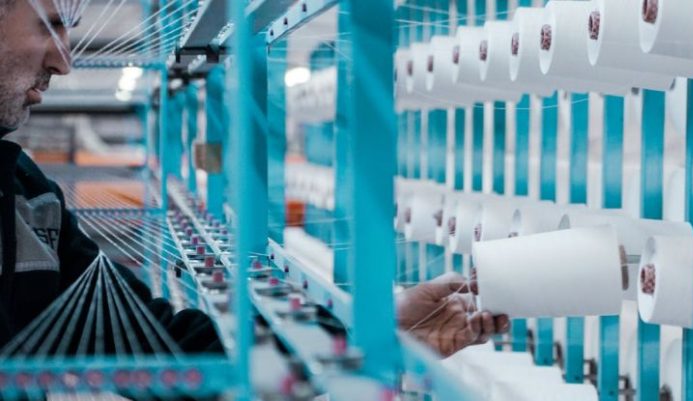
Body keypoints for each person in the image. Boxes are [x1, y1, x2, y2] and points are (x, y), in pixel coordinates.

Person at [0, 0, 508, 361]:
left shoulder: (28, 198)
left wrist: (381, 329)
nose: (64, 61)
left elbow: (166, 340)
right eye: (48, 26)